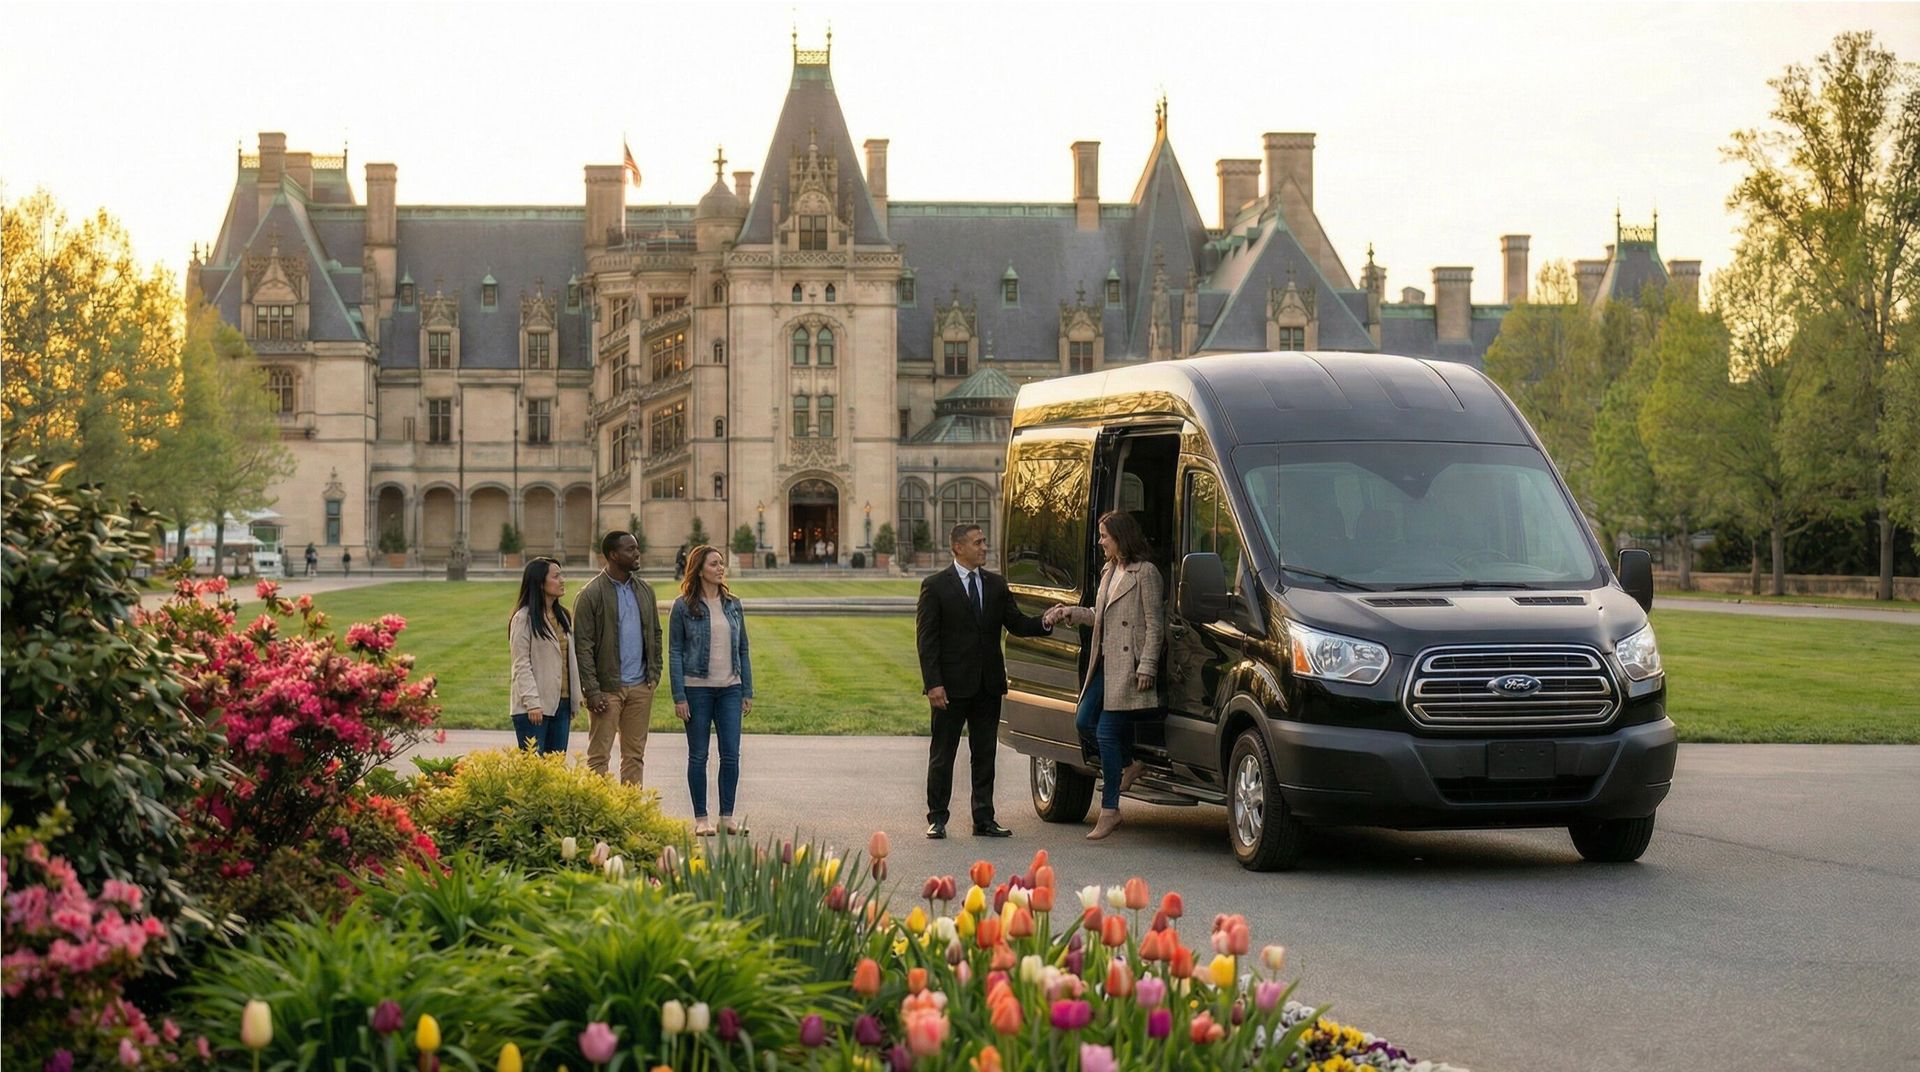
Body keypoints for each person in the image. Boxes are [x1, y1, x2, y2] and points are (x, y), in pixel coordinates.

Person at [916, 522, 1053, 839]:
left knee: (985, 755)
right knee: (943, 754)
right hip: (950, 688)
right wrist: (933, 684)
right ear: (958, 547)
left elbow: (1017, 624)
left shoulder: (995, 585)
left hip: (987, 685)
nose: (984, 547)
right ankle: (937, 817)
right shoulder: (935, 586)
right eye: (977, 542)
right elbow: (927, 641)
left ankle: (984, 818)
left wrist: (1045, 622)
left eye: (984, 541)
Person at [1043, 511, 1165, 840]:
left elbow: (1155, 625)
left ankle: (1110, 809)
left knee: (1107, 733)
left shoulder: (1146, 573)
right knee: (1084, 720)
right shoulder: (1109, 571)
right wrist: (1071, 613)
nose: (1100, 542)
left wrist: (1147, 665)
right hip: (1105, 662)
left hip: (1129, 666)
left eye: (1104, 536)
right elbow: (1102, 615)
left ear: (1121, 537)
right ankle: (1128, 764)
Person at [669, 544, 754, 837]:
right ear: (699, 569)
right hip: (697, 690)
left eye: (721, 563)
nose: (720, 568)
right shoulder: (683, 606)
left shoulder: (733, 604)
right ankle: (701, 819)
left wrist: (746, 690)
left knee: (731, 755)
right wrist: (679, 695)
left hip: (730, 688)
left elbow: (743, 649)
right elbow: (675, 651)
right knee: (698, 756)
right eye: (714, 564)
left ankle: (727, 817)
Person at [573, 531, 662, 784]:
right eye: (630, 549)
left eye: (636, 548)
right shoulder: (590, 594)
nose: (637, 553)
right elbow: (583, 647)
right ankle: (598, 807)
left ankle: (630, 807)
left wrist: (654, 673)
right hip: (606, 690)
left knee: (634, 756)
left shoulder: (645, 590)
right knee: (599, 758)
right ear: (613, 555)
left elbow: (655, 633)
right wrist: (592, 690)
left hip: (640, 687)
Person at [507, 557, 582, 755]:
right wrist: (532, 703)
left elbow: (569, 661)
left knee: (555, 767)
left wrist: (574, 699)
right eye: (556, 576)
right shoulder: (523, 619)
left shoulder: (563, 616)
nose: (562, 580)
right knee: (533, 769)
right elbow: (521, 664)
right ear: (540, 583)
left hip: (562, 704)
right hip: (534, 708)